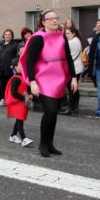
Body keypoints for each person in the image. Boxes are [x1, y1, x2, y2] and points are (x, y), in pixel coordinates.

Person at [21, 9, 77, 157]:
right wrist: (32, 82)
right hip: (43, 80)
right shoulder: (38, 38)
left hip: (58, 80)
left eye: (56, 18)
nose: (54, 20)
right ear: (44, 22)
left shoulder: (61, 36)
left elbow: (68, 57)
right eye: (51, 18)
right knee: (50, 111)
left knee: (54, 113)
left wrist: (73, 77)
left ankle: (50, 144)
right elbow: (29, 62)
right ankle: (43, 144)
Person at [6, 57, 33, 147]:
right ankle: (24, 139)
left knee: (19, 120)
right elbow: (13, 93)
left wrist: (29, 95)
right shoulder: (16, 79)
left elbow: (25, 88)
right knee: (20, 120)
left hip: (21, 102)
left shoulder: (23, 77)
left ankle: (13, 135)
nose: (23, 66)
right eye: (21, 65)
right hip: (18, 103)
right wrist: (24, 97)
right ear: (15, 67)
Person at [0, 29, 18, 107]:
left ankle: (10, 99)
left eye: (9, 34)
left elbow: (17, 56)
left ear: (12, 36)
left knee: (11, 85)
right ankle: (3, 99)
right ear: (3, 35)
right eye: (6, 34)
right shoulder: (0, 44)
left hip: (10, 69)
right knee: (2, 85)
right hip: (1, 69)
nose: (7, 36)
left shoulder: (15, 44)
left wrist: (14, 64)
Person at [64, 25, 83, 115]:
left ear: (73, 34)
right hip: (78, 67)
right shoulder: (77, 40)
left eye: (68, 33)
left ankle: (71, 107)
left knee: (71, 88)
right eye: (65, 33)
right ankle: (75, 106)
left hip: (73, 68)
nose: (66, 35)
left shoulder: (70, 42)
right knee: (74, 88)